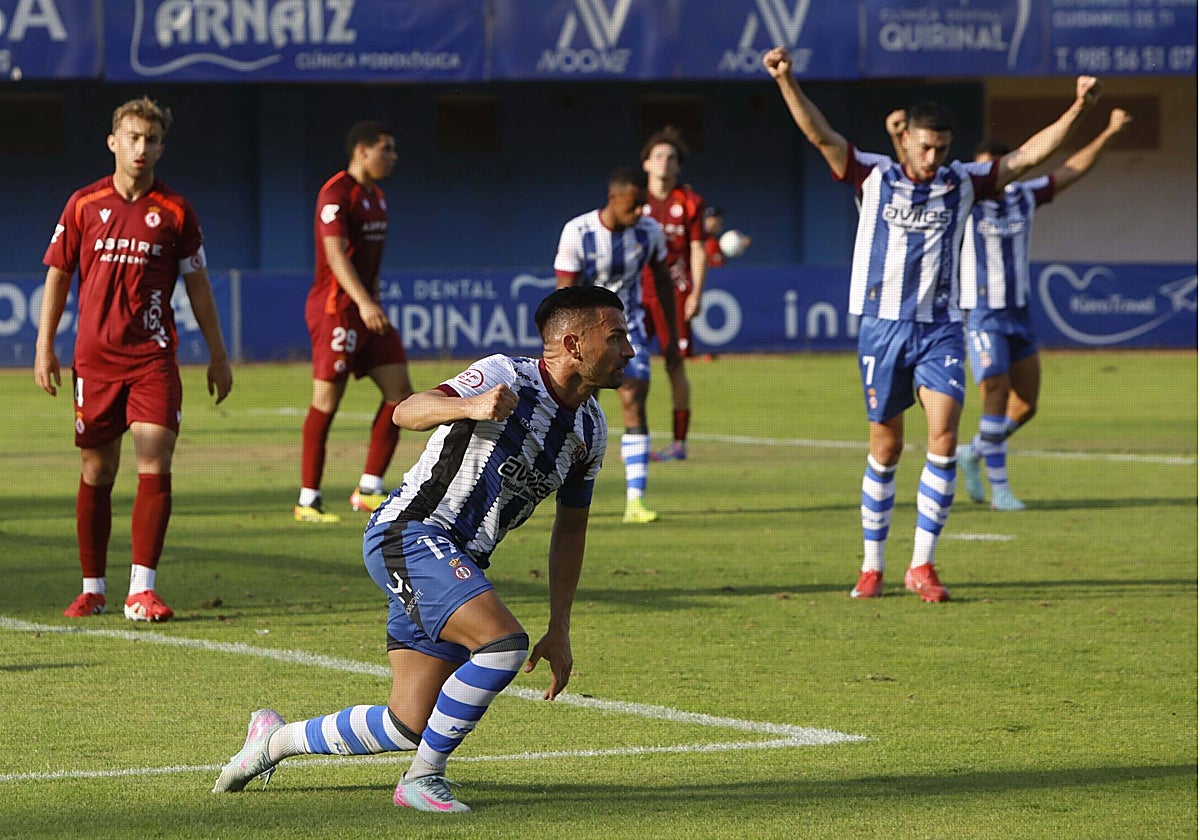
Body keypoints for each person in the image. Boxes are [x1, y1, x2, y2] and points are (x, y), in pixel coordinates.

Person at [213, 286, 630, 813]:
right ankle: (421, 780)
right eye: (617, 337)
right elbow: (405, 410)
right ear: (573, 342)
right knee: (502, 645)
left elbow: (571, 530)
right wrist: (471, 405)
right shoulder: (506, 374)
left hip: (460, 560)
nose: (630, 351)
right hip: (411, 532)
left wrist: (562, 626)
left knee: (407, 722)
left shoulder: (590, 429)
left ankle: (272, 741)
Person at [763, 45, 1099, 602]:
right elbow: (820, 134)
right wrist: (786, 80)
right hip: (882, 326)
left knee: (942, 438)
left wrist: (1079, 107)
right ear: (908, 141)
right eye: (926, 147)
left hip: (942, 327)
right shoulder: (871, 174)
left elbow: (1029, 158)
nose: (934, 158)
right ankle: (872, 565)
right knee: (887, 446)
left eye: (942, 148)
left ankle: (922, 564)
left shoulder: (963, 181)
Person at [34, 95, 234, 621]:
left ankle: (140, 590)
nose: (141, 148)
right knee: (98, 470)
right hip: (94, 361)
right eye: (132, 137)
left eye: (150, 140)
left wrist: (218, 355)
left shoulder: (176, 212)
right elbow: (58, 274)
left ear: (161, 147)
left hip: (152, 359)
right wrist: (44, 346)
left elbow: (199, 286)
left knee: (154, 461)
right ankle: (93, 587)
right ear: (113, 142)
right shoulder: (83, 205)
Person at [954, 109, 1133, 510]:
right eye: (983, 173)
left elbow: (1071, 170)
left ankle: (973, 452)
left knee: (1026, 405)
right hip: (982, 313)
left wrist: (1109, 131)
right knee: (995, 393)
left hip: (1019, 314)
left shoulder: (1024, 197)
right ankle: (1000, 490)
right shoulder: (965, 201)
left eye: (995, 172)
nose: (990, 181)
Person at [294, 120, 414, 524]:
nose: (394, 157)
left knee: (401, 394)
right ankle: (307, 500)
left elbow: (369, 262)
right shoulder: (335, 193)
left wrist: (372, 300)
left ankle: (368, 488)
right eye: (387, 149)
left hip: (367, 310)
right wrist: (363, 303)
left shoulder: (377, 197)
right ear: (362, 151)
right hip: (337, 312)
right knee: (326, 401)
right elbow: (335, 255)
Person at [555, 165, 680, 524]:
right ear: (613, 197)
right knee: (576, 408)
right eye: (634, 204)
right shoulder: (578, 231)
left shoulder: (649, 231)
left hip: (631, 330)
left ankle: (635, 500)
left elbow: (664, 285)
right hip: (583, 336)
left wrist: (671, 337)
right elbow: (564, 294)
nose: (640, 212)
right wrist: (566, 345)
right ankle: (567, 489)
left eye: (644, 205)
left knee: (633, 399)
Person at [639, 126, 707, 462]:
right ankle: (634, 440)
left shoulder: (690, 202)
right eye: (659, 157)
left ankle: (678, 444)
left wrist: (696, 293)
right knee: (624, 367)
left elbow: (698, 249)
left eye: (671, 158)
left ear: (678, 167)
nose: (665, 163)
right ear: (646, 164)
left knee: (674, 366)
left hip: (674, 296)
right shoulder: (634, 200)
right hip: (635, 295)